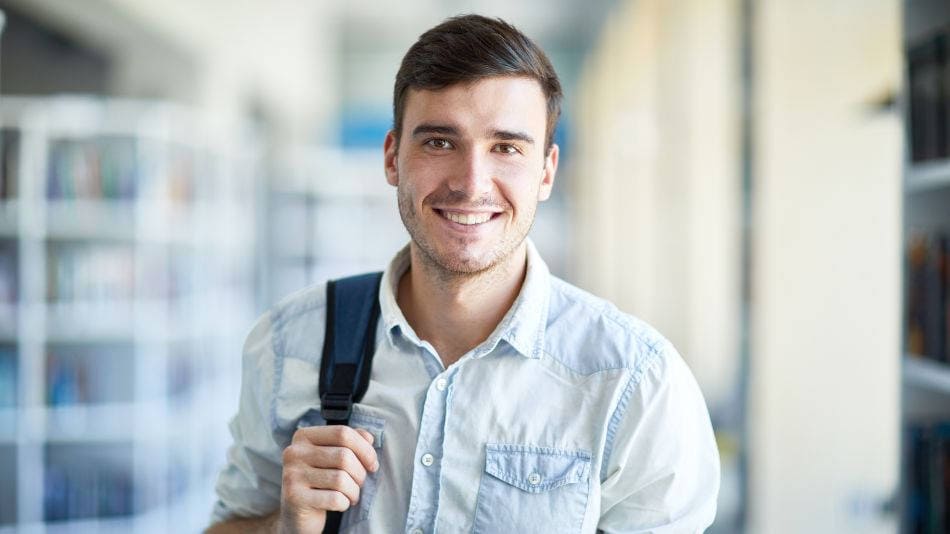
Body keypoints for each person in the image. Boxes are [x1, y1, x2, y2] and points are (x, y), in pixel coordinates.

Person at [207, 14, 719, 534]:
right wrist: (284, 526)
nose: (472, 183)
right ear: (392, 158)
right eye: (439, 142)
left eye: (506, 147)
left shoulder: (634, 383)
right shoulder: (288, 344)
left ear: (546, 171)